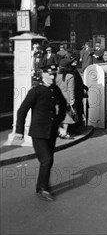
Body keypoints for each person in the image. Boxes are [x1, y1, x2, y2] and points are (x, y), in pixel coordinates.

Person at [14, 65, 67, 202]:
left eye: (54, 74)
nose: (52, 77)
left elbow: (63, 103)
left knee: (49, 159)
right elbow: (22, 110)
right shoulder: (36, 91)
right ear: (43, 75)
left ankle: (41, 185)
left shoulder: (55, 89)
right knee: (46, 159)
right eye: (49, 74)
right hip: (38, 131)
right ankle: (43, 189)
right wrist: (19, 131)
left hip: (51, 130)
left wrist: (58, 121)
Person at [56, 56, 78, 139]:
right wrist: (72, 100)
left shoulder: (56, 75)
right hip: (66, 98)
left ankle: (59, 132)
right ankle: (63, 133)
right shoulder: (70, 76)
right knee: (66, 117)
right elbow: (71, 90)